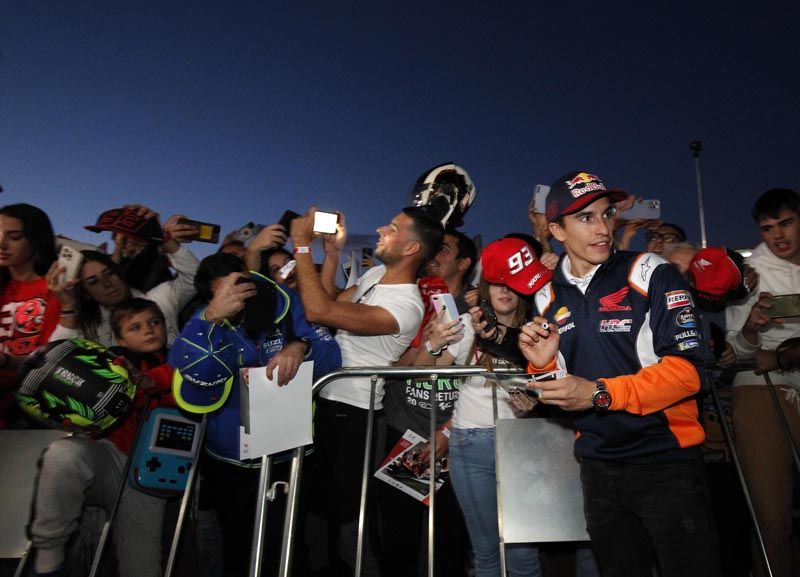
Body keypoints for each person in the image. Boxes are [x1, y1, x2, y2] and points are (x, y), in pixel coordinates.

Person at [518, 170, 719, 577]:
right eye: (585, 218)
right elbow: (556, 390)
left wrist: (598, 393)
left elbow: (690, 373)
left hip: (666, 462)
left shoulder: (650, 271)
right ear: (556, 229)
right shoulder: (544, 295)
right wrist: (540, 365)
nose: (603, 228)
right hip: (596, 467)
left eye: (606, 214)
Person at [289, 205, 443, 575]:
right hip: (326, 405)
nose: (379, 228)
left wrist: (301, 245)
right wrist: (333, 255)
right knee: (314, 510)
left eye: (392, 227)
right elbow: (330, 299)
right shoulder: (376, 273)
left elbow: (318, 312)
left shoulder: (405, 305)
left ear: (411, 249)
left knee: (348, 520)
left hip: (356, 418)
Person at [169, 252, 341, 577]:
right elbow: (196, 375)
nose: (238, 296)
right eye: (226, 292)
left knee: (290, 549)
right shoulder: (202, 319)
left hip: (287, 456)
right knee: (237, 550)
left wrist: (300, 346)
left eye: (241, 286)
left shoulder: (286, 302)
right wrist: (211, 319)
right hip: (230, 462)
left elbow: (332, 356)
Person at [28, 299, 175, 577]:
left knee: (142, 567)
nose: (149, 330)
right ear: (120, 338)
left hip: (148, 474)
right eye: (136, 327)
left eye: (155, 322)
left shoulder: (180, 360)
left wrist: (148, 379)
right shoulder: (102, 363)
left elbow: (178, 377)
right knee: (63, 454)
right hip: (108, 457)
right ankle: (48, 561)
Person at [451, 237, 551, 577]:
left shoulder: (541, 329)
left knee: (523, 552)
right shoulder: (467, 325)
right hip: (470, 442)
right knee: (486, 552)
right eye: (496, 282)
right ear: (484, 286)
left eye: (512, 282)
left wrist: (536, 404)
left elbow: (555, 384)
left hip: (523, 443)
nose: (504, 290)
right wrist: (434, 344)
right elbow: (417, 363)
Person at [725, 187, 800, 577]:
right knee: (771, 514)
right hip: (762, 389)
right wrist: (752, 327)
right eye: (768, 227)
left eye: (786, 223)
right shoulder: (749, 273)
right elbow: (735, 351)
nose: (778, 236)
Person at [48, 205, 200, 347]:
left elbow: (194, 275)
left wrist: (163, 238)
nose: (107, 283)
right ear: (85, 293)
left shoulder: (159, 300)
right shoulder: (87, 326)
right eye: (93, 281)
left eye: (109, 273)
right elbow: (55, 357)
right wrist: (68, 307)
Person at [0, 203, 60, 427]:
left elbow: (49, 358)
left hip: (31, 401)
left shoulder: (53, 289)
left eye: (14, 236)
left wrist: (6, 361)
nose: (2, 244)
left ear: (36, 240)